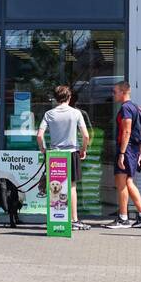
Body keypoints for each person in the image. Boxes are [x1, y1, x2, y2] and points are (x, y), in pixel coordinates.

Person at [36, 85, 92, 230]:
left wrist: (43, 149)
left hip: (55, 154)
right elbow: (86, 135)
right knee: (72, 186)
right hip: (72, 152)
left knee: (56, 187)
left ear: (55, 98)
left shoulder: (49, 114)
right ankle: (74, 220)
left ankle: (56, 219)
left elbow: (39, 135)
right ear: (69, 97)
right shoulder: (76, 113)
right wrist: (83, 149)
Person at [104, 82, 141, 229]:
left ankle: (123, 218)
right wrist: (140, 154)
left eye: (115, 91)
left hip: (127, 149)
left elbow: (127, 131)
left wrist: (122, 154)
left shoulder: (126, 108)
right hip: (134, 149)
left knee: (122, 183)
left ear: (123, 92)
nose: (113, 94)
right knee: (128, 182)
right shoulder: (136, 108)